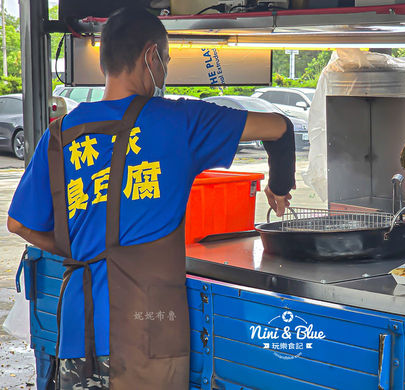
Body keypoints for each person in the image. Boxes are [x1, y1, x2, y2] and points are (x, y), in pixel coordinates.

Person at [7, 7, 295, 390]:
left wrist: (80, 248)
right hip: (145, 331)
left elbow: (19, 223)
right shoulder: (181, 121)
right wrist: (279, 185)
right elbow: (280, 127)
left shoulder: (59, 134)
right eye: (168, 60)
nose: (166, 69)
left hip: (77, 329)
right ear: (151, 57)